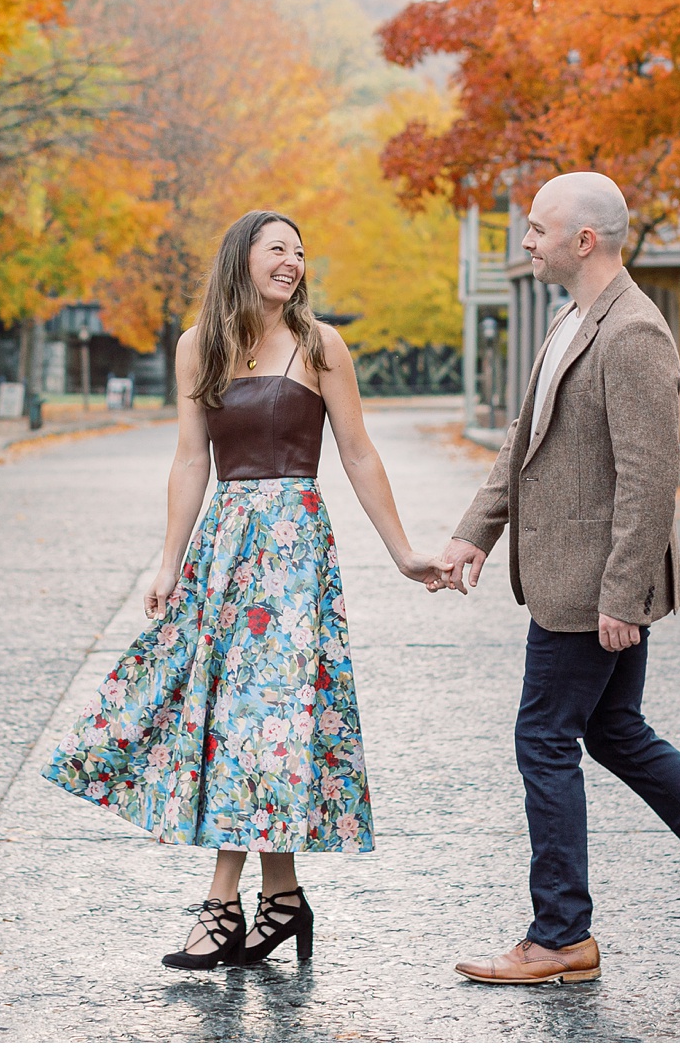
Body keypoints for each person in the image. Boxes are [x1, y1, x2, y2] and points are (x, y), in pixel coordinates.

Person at [43, 209, 446, 970]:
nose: (292, 261)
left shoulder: (323, 345)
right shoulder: (199, 346)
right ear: (242, 258)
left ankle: (223, 905)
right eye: (276, 249)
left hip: (294, 555)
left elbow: (358, 454)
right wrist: (167, 561)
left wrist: (402, 551)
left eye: (300, 250)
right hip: (225, 550)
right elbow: (191, 458)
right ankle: (282, 899)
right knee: (236, 719)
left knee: (260, 722)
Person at [439, 172, 680, 985]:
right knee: (613, 730)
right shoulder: (571, 320)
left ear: (585, 240)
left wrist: (622, 594)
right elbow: (526, 439)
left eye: (537, 229)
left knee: (543, 738)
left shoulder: (634, 331)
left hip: (591, 586)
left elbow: (650, 476)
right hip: (578, 579)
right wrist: (476, 533)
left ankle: (560, 935)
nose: (525, 241)